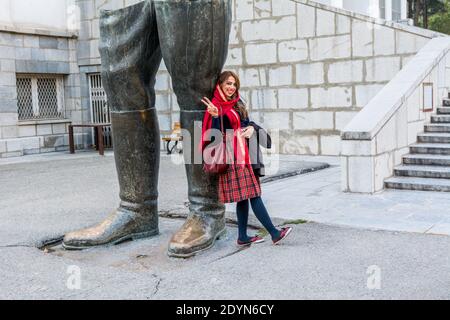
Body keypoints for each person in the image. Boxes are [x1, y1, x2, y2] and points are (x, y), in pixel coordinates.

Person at [201, 71, 292, 246]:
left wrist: (251, 128)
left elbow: (245, 123)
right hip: (233, 157)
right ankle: (274, 233)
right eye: (228, 83)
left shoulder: (237, 102)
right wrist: (214, 116)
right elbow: (214, 135)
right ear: (219, 85)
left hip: (244, 153)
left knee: (244, 197)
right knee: (254, 194)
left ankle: (242, 237)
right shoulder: (216, 105)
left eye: (234, 84)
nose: (231, 87)